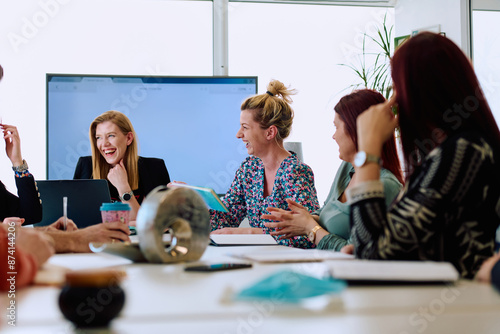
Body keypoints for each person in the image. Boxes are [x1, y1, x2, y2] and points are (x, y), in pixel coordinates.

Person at [346, 32, 500, 278]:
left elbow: (374, 253)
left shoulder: (463, 151)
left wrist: (369, 151)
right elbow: (390, 245)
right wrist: (367, 248)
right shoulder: (444, 153)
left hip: (462, 306)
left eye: (398, 88)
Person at [262, 89, 403, 250]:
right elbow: (326, 211)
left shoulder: (386, 185)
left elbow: (355, 251)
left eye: (336, 127)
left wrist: (310, 228)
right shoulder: (348, 167)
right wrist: (304, 219)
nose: (333, 136)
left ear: (356, 130)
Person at [209, 79, 320, 248]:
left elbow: (309, 234)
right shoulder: (249, 169)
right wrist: (191, 206)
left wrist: (251, 232)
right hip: (257, 259)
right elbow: (225, 217)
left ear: (270, 133)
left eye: (245, 127)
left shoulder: (295, 172)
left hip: (290, 267)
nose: (239, 134)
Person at [74, 110, 171, 221]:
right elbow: (77, 219)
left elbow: (153, 224)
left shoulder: (154, 168)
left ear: (128, 138)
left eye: (110, 135)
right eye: (99, 137)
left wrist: (123, 187)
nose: (104, 144)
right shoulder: (86, 166)